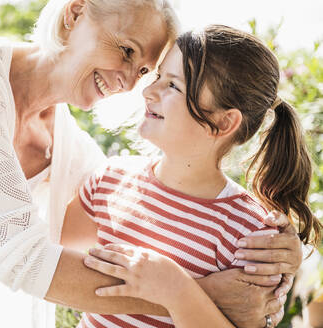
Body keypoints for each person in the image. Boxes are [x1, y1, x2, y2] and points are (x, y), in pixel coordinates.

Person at [0, 0, 301, 326]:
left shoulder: (73, 151)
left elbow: (147, 212)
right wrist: (194, 296)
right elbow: (25, 259)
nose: (131, 80)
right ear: (76, 15)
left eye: (143, 70)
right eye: (126, 49)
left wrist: (283, 259)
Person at [61, 24, 322, 328]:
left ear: (224, 122)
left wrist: (176, 289)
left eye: (173, 85)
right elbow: (48, 258)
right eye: (158, 76)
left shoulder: (251, 234)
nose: (147, 91)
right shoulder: (110, 179)